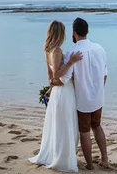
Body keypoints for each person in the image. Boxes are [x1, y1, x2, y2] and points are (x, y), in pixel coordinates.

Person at [29, 21, 83, 172]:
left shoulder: (47, 50)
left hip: (57, 92)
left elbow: (49, 75)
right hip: (64, 92)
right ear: (60, 33)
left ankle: (58, 154)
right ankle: (63, 158)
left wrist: (51, 87)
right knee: (66, 124)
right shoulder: (57, 51)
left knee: (59, 125)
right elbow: (56, 74)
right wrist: (71, 62)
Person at [57, 17, 109, 170]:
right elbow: (105, 74)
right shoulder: (99, 48)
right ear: (88, 31)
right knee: (97, 126)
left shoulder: (72, 53)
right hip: (98, 97)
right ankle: (105, 158)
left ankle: (89, 164)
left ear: (74, 33)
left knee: (85, 132)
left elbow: (64, 79)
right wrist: (99, 89)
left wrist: (52, 84)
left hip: (82, 100)